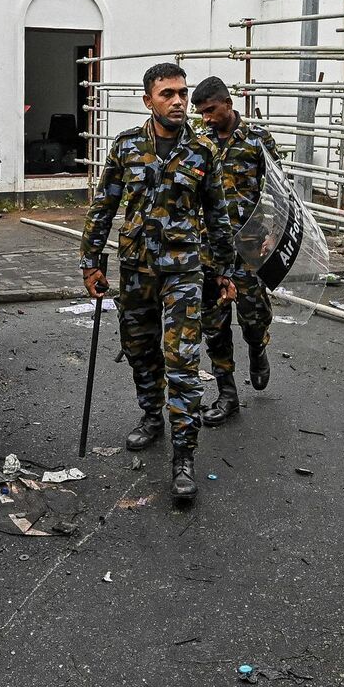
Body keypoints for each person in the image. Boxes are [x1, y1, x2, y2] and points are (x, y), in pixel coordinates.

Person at [80, 62, 237, 502]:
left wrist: (224, 271)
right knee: (139, 350)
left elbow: (218, 217)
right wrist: (91, 263)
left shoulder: (202, 152)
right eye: (167, 94)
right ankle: (151, 416)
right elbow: (103, 206)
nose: (178, 102)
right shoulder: (126, 146)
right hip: (135, 269)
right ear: (148, 100)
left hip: (184, 272)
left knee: (183, 362)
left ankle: (183, 457)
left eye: (182, 94)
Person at [189, 76, 280, 425]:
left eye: (211, 110)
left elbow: (277, 189)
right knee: (213, 323)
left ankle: (258, 348)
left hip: (250, 246)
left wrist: (273, 232)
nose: (207, 118)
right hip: (210, 248)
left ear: (228, 103)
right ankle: (227, 394)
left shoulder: (257, 140)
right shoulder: (200, 143)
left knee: (254, 316)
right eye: (202, 114)